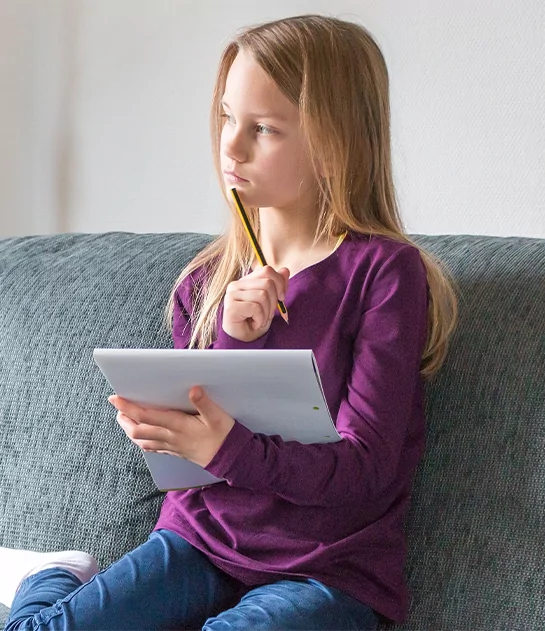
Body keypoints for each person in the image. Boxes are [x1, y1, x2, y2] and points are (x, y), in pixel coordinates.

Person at [0, 13, 458, 631]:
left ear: (335, 141)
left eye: (264, 128)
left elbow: (365, 470)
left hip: (324, 570)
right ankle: (51, 576)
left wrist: (225, 445)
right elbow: (194, 465)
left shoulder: (384, 274)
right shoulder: (207, 280)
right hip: (201, 539)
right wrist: (211, 371)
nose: (231, 146)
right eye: (226, 117)